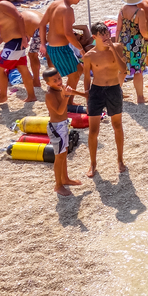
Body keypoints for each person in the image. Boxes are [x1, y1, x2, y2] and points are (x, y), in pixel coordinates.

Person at [81, 22, 128, 177]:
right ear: (94, 37)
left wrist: (113, 48)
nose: (106, 37)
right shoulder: (89, 56)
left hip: (114, 89)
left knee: (117, 126)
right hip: (96, 91)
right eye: (102, 35)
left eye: (107, 33)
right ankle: (93, 164)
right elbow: (87, 79)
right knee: (93, 130)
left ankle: (120, 159)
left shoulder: (118, 47)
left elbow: (123, 69)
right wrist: (87, 97)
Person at [42, 68, 82, 196]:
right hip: (56, 128)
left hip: (63, 125)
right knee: (59, 157)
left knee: (64, 154)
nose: (59, 81)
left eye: (59, 78)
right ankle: (58, 185)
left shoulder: (59, 88)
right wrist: (66, 97)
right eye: (55, 80)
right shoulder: (49, 94)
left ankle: (65, 179)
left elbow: (68, 90)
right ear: (48, 83)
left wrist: (84, 94)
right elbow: (59, 111)